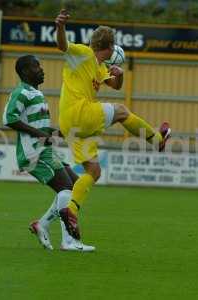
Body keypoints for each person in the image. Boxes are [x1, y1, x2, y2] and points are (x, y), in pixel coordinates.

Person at [55, 9, 171, 240]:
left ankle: (72, 210)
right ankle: (157, 140)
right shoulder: (84, 53)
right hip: (80, 113)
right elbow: (63, 46)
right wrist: (59, 27)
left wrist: (119, 74)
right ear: (108, 47)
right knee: (121, 111)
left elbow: (116, 86)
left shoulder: (99, 67)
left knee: (93, 171)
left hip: (74, 125)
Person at [2, 54, 94, 251]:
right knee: (67, 190)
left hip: (45, 150)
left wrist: (63, 132)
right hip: (34, 153)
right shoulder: (21, 92)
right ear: (25, 71)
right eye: (37, 67)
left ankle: (42, 224)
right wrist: (39, 134)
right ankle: (68, 241)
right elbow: (9, 118)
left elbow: (41, 129)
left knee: (77, 185)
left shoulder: (37, 94)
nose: (42, 70)